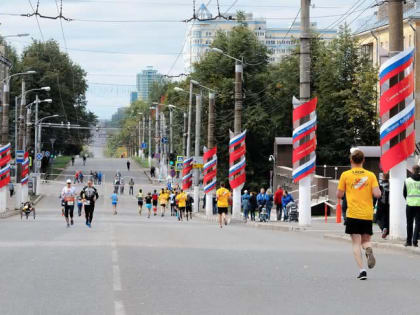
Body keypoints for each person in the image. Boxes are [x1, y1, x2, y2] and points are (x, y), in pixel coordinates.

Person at [337, 149, 381, 280]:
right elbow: (377, 194)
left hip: (353, 214)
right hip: (367, 214)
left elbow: (339, 195)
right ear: (363, 160)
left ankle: (362, 271)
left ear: (351, 160)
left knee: (356, 243)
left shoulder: (345, 175)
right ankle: (368, 249)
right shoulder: (371, 175)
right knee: (366, 240)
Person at [403, 165, 420, 247]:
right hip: (419, 205)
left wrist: (409, 199)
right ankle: (415, 241)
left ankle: (408, 241)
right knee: (418, 223)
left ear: (412, 171)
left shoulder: (407, 181)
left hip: (409, 204)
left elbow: (404, 193)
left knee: (409, 223)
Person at [376, 173, 390, 239]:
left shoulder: (380, 185)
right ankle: (386, 229)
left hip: (381, 203)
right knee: (387, 218)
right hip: (389, 204)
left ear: (383, 177)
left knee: (378, 218)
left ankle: (383, 228)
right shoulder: (391, 185)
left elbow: (376, 195)